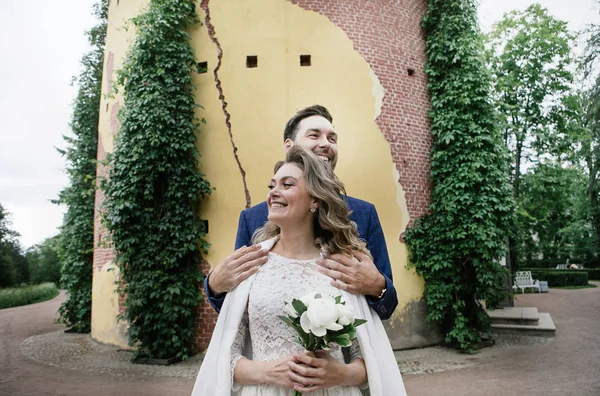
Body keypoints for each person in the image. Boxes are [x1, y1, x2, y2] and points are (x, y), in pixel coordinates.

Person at [191, 146, 406, 396]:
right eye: (272, 186)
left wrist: (341, 373)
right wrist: (268, 371)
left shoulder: (343, 266)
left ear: (314, 199)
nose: (273, 193)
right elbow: (224, 356)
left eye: (287, 185)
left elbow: (369, 355)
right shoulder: (251, 263)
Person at [205, 105, 398, 320]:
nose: (326, 143)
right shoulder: (253, 219)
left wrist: (378, 287)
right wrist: (214, 288)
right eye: (314, 135)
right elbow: (237, 309)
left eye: (332, 139)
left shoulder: (363, 213)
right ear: (289, 147)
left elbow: (387, 306)